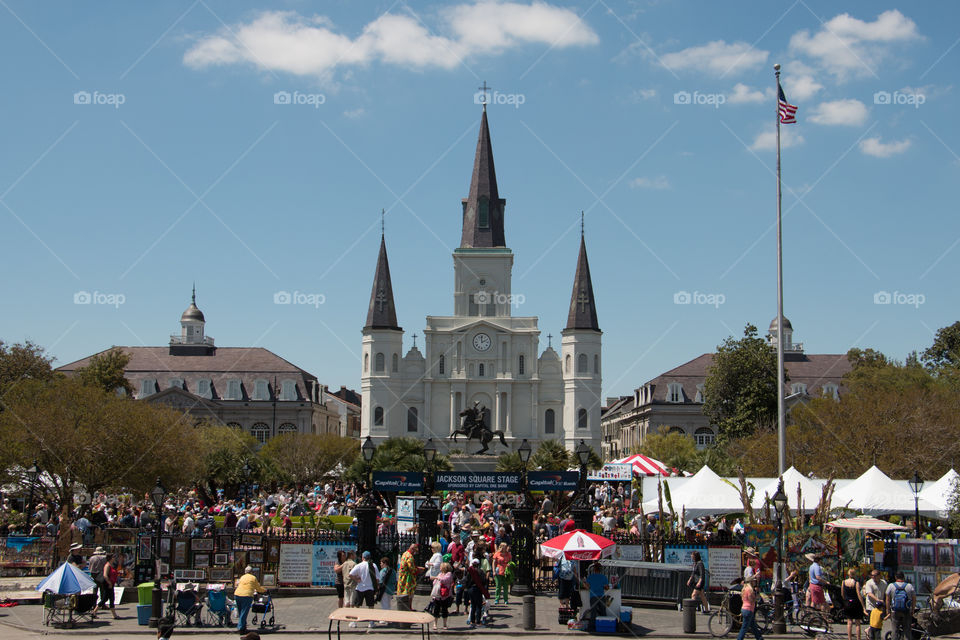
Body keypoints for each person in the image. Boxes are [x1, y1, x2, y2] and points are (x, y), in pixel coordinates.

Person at [348, 551, 378, 628]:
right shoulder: (373, 565)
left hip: (360, 588)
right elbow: (377, 578)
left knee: (357, 606)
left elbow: (350, 574)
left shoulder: (359, 565)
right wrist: (376, 587)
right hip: (370, 588)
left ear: (362, 557)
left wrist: (356, 579)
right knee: (371, 606)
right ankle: (371, 622)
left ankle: (354, 622)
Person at [234, 566, 266, 634]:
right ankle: (240, 628)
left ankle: (243, 626)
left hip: (237, 594)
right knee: (244, 612)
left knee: (241, 612)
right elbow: (258, 588)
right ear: (252, 572)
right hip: (247, 595)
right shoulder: (253, 578)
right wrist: (264, 590)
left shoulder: (242, 577)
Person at [885, 571, 916, 640]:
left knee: (895, 630)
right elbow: (914, 599)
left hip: (895, 611)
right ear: (903, 577)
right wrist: (912, 609)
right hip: (906, 611)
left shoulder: (891, 586)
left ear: (895, 577)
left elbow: (887, 599)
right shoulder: (909, 586)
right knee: (907, 631)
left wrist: (888, 610)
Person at [396, 543, 419, 626]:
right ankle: (408, 609)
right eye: (415, 551)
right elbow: (412, 569)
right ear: (413, 549)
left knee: (404, 594)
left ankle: (407, 609)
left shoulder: (404, 553)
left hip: (402, 578)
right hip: (407, 579)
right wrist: (419, 570)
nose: (416, 553)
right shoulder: (410, 556)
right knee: (408, 595)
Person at [582, 562, 610, 630]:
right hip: (601, 596)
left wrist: (584, 583)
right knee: (603, 612)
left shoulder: (590, 577)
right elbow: (607, 587)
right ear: (600, 570)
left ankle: (592, 627)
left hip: (593, 597)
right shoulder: (604, 577)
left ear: (594, 569)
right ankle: (604, 626)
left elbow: (587, 587)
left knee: (593, 613)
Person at [87, 547, 112, 618]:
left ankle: (94, 604)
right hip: (101, 575)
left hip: (94, 575)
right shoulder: (104, 558)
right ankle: (102, 604)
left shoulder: (91, 558)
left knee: (95, 590)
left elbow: (90, 568)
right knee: (102, 590)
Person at [863, 569, 888, 640]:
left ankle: (869, 631)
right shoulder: (869, 583)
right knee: (874, 622)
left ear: (879, 576)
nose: (873, 577)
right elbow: (869, 593)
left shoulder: (884, 583)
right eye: (872, 576)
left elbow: (886, 594)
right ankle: (871, 635)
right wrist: (877, 600)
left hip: (880, 607)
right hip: (871, 605)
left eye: (874, 576)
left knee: (878, 622)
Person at [465, 558, 490, 628]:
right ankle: (478, 622)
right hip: (477, 589)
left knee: (473, 605)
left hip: (470, 589)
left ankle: (472, 621)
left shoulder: (469, 571)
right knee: (479, 606)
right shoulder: (480, 571)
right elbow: (484, 581)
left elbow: (466, 581)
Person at [737, 574, 764, 640]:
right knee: (744, 627)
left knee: (753, 626)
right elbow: (752, 600)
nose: (754, 582)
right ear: (750, 582)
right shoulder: (749, 590)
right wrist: (756, 595)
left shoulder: (744, 589)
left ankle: (759, 638)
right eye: (753, 581)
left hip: (745, 608)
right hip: (748, 609)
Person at [842, 567, 865, 640]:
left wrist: (845, 600)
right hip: (856, 603)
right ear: (854, 574)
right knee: (857, 623)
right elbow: (858, 594)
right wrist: (863, 605)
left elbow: (842, 594)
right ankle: (858, 638)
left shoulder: (843, 582)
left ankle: (849, 638)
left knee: (849, 622)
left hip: (848, 603)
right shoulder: (856, 583)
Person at [431, 562, 455, 631]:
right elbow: (434, 582)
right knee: (436, 610)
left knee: (444, 610)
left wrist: (436, 578)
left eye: (441, 567)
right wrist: (436, 579)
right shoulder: (440, 574)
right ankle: (435, 624)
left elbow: (445, 580)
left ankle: (444, 624)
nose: (440, 568)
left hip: (445, 595)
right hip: (438, 595)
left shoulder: (449, 574)